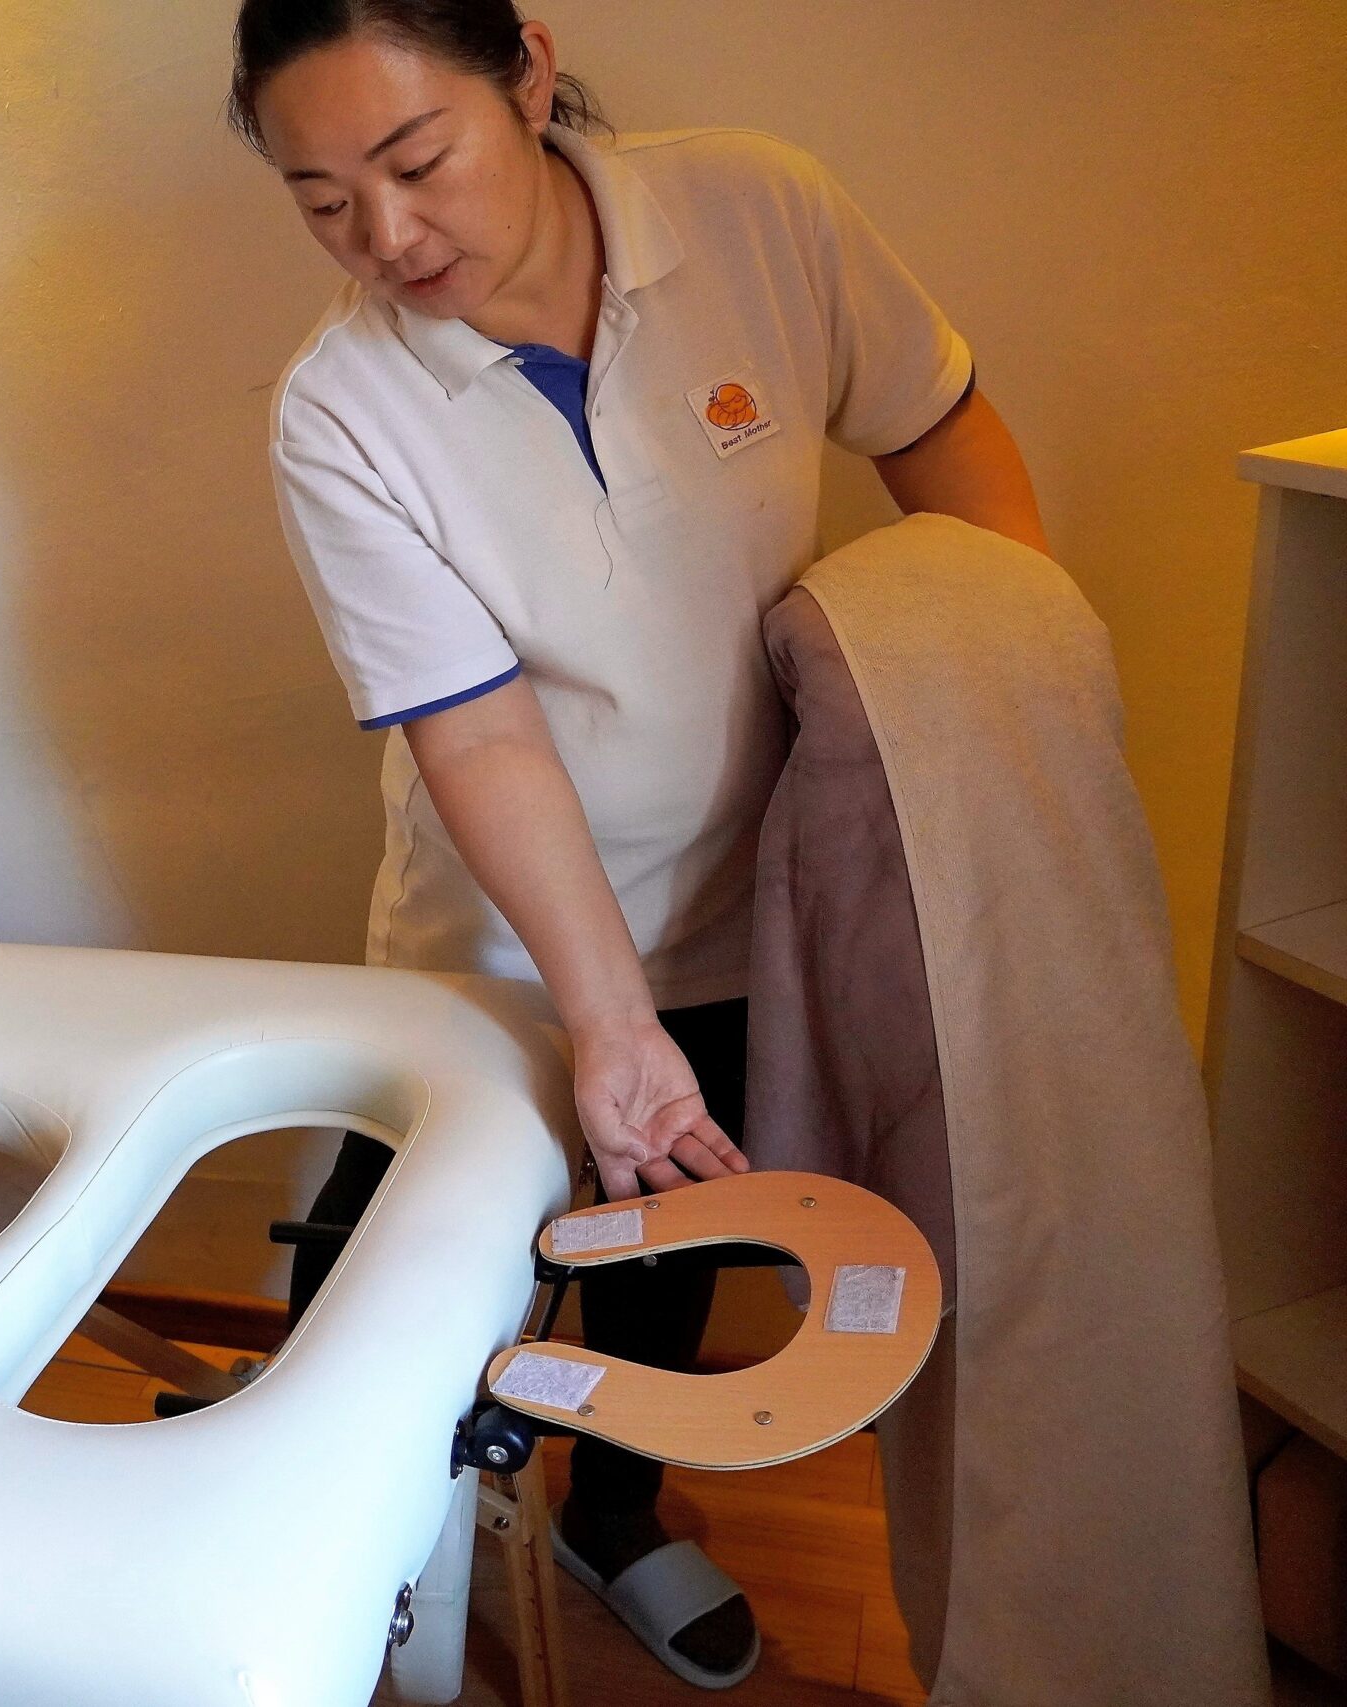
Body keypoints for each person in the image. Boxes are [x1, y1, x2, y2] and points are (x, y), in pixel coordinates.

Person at [231, 0, 1047, 1688]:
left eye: (417, 160)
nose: (388, 235)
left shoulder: (758, 212)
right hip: (506, 928)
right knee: (391, 1253)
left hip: (760, 895)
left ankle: (612, 1513)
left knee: (677, 1227)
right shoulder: (342, 411)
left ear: (528, 72)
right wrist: (609, 1020)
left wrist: (1015, 708)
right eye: (323, 202)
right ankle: (338, 1542)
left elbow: (940, 431)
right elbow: (479, 731)